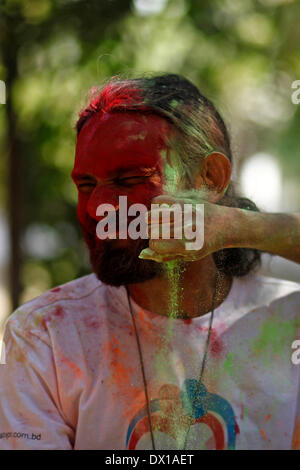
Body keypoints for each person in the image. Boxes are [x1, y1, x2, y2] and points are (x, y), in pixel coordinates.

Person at [0, 74, 299, 450]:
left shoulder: (288, 320)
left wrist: (237, 225)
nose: (96, 208)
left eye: (128, 180)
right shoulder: (46, 335)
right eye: (86, 185)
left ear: (210, 178)